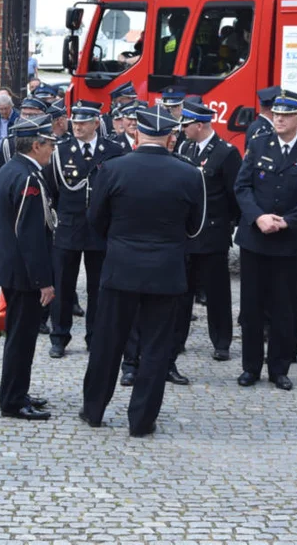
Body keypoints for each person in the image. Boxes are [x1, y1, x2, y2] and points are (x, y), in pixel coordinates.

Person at [80, 105, 204, 436]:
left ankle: (93, 410)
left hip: (121, 266)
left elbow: (95, 220)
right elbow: (195, 227)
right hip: (165, 270)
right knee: (156, 347)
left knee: (108, 342)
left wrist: (120, 241)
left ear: (137, 132)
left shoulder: (113, 169)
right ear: (171, 138)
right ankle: (142, 419)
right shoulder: (190, 173)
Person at [233, 90, 297, 392]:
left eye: (286, 116)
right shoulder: (259, 144)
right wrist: (258, 217)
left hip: (289, 242)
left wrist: (289, 220)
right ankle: (251, 367)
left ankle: (279, 368)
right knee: (252, 307)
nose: (279, 119)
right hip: (256, 239)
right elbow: (242, 186)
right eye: (276, 114)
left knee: (284, 308)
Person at [0, 114, 59, 421]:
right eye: (49, 145)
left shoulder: (11, 168)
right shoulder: (29, 177)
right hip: (24, 273)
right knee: (21, 339)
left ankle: (17, 391)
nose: (52, 151)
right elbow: (30, 235)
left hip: (13, 268)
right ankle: (13, 400)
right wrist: (44, 280)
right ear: (36, 145)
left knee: (19, 337)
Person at [46, 100, 124, 358]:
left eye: (83, 122)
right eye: (75, 122)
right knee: (63, 285)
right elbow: (54, 190)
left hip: (100, 228)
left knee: (98, 287)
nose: (77, 126)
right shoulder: (61, 150)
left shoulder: (112, 150)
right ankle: (59, 336)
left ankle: (96, 336)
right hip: (69, 227)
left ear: (96, 123)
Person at [179, 101, 242, 361]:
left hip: (213, 233)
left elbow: (235, 195)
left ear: (200, 125)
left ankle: (221, 341)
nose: (182, 129)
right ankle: (176, 338)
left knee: (217, 293)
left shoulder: (226, 153)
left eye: (186, 124)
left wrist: (226, 224)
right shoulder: (186, 147)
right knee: (182, 292)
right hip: (186, 234)